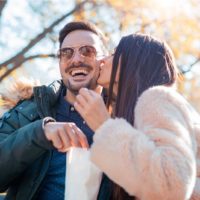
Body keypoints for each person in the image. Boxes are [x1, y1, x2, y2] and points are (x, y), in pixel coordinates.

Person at [74, 33, 200, 200]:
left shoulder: (157, 98)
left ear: (133, 62)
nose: (102, 60)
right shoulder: (143, 108)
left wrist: (104, 126)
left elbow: (171, 186)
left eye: (114, 53)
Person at [0, 21, 112, 200]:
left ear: (103, 60)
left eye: (87, 51)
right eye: (66, 53)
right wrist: (39, 133)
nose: (76, 59)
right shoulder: (27, 111)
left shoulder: (124, 118)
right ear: (60, 63)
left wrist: (109, 129)